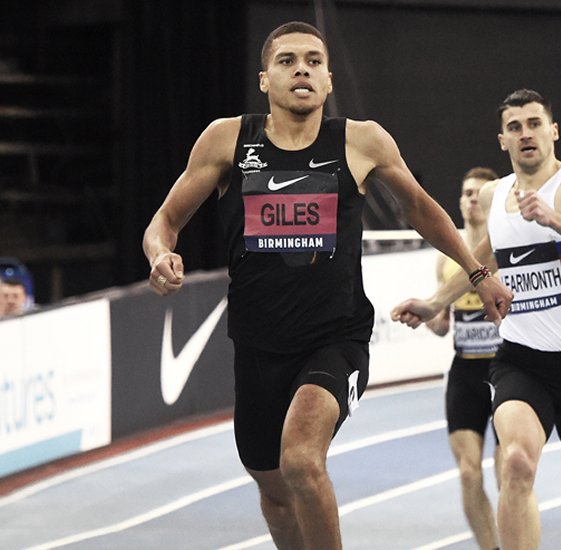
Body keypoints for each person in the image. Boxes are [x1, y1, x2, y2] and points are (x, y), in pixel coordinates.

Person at [141, 21, 512, 550]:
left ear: (329, 80)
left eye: (314, 61)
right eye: (288, 60)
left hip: (335, 338)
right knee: (273, 489)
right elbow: (165, 220)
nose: (302, 70)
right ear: (265, 79)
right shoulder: (227, 139)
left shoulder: (361, 141)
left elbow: (421, 211)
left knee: (300, 458)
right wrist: (160, 255)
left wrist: (478, 272)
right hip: (256, 343)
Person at [392, 89, 561, 550]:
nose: (526, 134)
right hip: (523, 361)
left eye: (535, 123)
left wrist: (554, 220)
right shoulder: (493, 194)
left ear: (553, 130)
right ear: (502, 140)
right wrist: (435, 302)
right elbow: (483, 258)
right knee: (517, 463)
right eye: (515, 127)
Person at [424, 166, 503, 550]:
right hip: (465, 373)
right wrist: (432, 321)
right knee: (470, 473)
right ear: (458, 200)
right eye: (466, 192)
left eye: (479, 193)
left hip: (506, 373)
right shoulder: (446, 258)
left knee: (509, 476)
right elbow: (442, 322)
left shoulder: (506, 250)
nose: (472, 198)